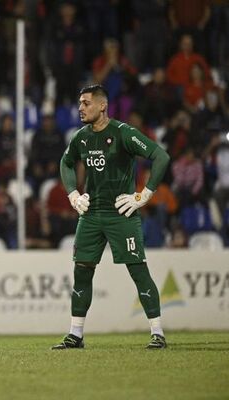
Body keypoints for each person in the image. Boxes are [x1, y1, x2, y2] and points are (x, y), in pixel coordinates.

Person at [53, 84, 171, 350]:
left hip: (121, 214)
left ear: (102, 105)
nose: (80, 108)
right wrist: (73, 194)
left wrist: (143, 195)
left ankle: (158, 333)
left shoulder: (123, 133)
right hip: (91, 215)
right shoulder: (81, 137)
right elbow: (66, 162)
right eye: (80, 103)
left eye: (86, 103)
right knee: (81, 272)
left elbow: (160, 156)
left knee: (138, 271)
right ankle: (75, 335)